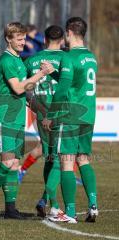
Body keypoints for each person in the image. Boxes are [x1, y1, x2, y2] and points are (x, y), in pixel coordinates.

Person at [0, 22, 54, 220]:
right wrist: (41, 73)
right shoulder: (6, 60)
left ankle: (10, 209)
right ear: (9, 39)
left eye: (24, 38)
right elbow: (19, 88)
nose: (23, 42)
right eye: (19, 39)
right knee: (7, 162)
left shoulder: (19, 60)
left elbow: (26, 94)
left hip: (17, 117)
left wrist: (41, 110)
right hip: (4, 118)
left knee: (14, 164)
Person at [43, 17, 98, 223]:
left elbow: (64, 89)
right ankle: (93, 206)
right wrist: (54, 73)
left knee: (66, 162)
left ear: (68, 33)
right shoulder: (91, 57)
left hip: (70, 115)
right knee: (83, 159)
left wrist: (50, 114)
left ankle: (71, 213)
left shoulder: (69, 57)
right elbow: (75, 82)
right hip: (88, 115)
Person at [24, 25, 68, 218]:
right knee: (60, 159)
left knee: (50, 157)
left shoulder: (31, 60)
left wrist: (37, 108)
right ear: (63, 40)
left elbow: (24, 90)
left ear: (44, 39)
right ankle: (55, 206)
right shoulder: (67, 59)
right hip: (62, 113)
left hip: (41, 113)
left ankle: (44, 200)